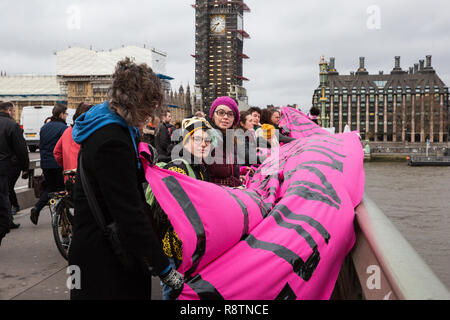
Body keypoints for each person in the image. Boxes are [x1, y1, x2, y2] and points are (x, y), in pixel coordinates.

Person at [69, 57, 183, 300]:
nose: (150, 114)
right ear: (134, 103)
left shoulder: (101, 123)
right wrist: (163, 267)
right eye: (147, 107)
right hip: (106, 260)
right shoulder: (113, 140)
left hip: (90, 248)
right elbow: (128, 211)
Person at [148, 117, 212, 300]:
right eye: (197, 139)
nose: (203, 144)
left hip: (190, 248)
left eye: (207, 140)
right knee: (172, 294)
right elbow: (176, 213)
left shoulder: (200, 167)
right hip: (174, 250)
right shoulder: (178, 168)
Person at [30, 104, 68, 225]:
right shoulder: (63, 128)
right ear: (61, 114)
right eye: (66, 114)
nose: (66, 116)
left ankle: (37, 208)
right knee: (63, 190)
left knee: (50, 188)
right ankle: (63, 218)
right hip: (58, 164)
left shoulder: (44, 127)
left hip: (46, 164)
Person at [0, 102, 29, 244]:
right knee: (4, 198)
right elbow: (21, 149)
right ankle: (6, 223)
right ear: (9, 111)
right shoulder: (12, 126)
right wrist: (25, 167)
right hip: (3, 169)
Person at [207, 96, 242, 187]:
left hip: (229, 191)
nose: (226, 117)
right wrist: (235, 183)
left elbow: (229, 168)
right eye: (221, 113)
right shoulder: (206, 137)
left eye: (230, 114)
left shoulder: (230, 138)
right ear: (213, 115)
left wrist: (237, 177)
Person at [53, 102, 93, 176]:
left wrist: (67, 164)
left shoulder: (67, 131)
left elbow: (57, 152)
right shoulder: (90, 132)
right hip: (85, 178)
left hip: (70, 176)